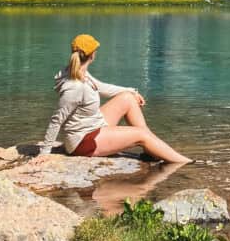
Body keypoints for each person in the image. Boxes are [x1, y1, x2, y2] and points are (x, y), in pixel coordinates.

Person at [38, 34, 192, 163]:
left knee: (127, 99)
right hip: (83, 142)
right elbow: (57, 119)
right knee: (141, 134)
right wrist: (44, 152)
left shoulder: (79, 72)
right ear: (92, 55)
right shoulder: (75, 87)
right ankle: (183, 162)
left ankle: (151, 150)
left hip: (93, 126)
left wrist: (132, 91)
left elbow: (102, 87)